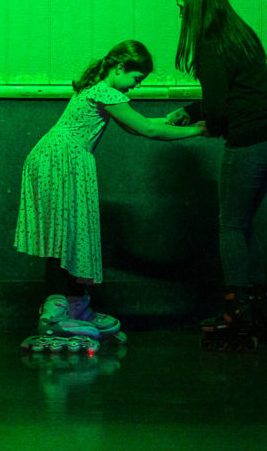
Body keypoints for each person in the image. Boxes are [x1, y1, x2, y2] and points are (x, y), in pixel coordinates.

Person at [16, 40, 207, 353]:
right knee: (65, 236)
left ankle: (76, 307)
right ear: (120, 68)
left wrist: (174, 120)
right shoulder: (104, 91)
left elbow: (140, 125)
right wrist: (199, 130)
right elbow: (146, 130)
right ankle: (55, 314)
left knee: (71, 234)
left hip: (60, 159)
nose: (135, 87)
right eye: (136, 78)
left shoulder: (96, 89)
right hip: (62, 161)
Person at [165, 0, 267, 348]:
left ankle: (238, 315)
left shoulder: (209, 42)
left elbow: (220, 109)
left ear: (196, 4)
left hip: (249, 140)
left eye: (181, 5)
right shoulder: (239, 33)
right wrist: (192, 109)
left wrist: (202, 125)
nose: (179, 11)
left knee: (231, 227)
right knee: (244, 225)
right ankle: (259, 310)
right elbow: (240, 91)